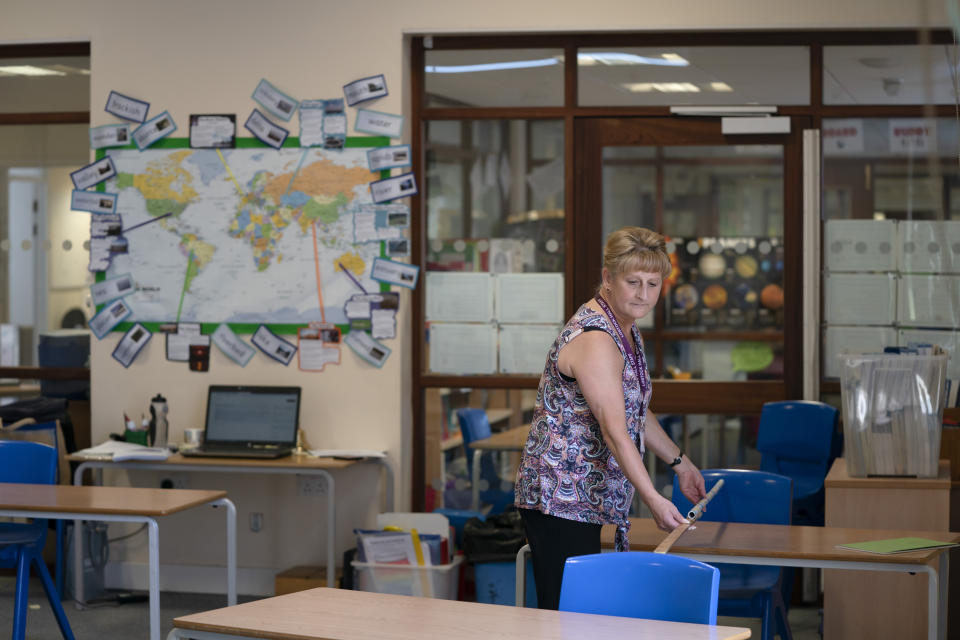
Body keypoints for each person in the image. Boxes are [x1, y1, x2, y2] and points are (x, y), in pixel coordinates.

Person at [514, 226, 707, 610]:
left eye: (653, 284)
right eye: (632, 282)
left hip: (585, 497)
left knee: (588, 613)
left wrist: (680, 463)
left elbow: (633, 409)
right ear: (607, 279)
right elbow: (616, 430)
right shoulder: (597, 339)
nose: (643, 295)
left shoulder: (625, 328)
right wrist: (652, 497)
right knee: (566, 615)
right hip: (560, 497)